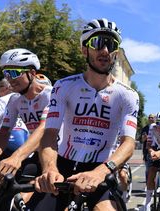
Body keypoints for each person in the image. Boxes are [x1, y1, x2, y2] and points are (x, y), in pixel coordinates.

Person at [34, 18, 139, 211]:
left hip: (101, 167)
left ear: (116, 51)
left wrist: (100, 173)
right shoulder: (64, 86)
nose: (105, 50)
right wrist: (50, 168)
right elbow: (49, 134)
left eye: (111, 44)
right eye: (98, 43)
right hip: (63, 166)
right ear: (84, 50)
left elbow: (129, 143)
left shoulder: (128, 95)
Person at [0, 48, 50, 200]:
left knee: (22, 198)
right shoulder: (15, 100)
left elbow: (44, 128)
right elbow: (4, 131)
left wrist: (17, 157)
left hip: (58, 156)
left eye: (14, 72)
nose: (9, 79)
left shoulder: (51, 94)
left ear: (31, 72)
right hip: (36, 155)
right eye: (6, 74)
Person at [143, 112, 160, 211]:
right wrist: (152, 151)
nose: (159, 125)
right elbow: (148, 144)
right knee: (151, 173)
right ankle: (147, 204)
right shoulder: (152, 128)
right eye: (157, 123)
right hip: (158, 150)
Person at [140, 114, 155, 182]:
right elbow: (141, 140)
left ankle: (158, 184)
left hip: (157, 150)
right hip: (147, 151)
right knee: (148, 169)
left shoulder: (158, 127)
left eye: (152, 117)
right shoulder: (145, 128)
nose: (150, 119)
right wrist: (144, 138)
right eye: (149, 117)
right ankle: (147, 184)